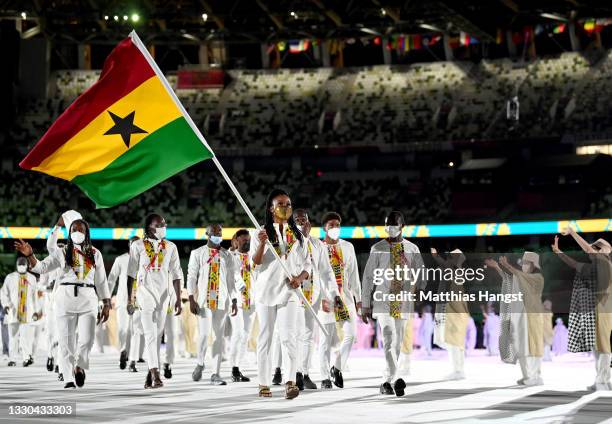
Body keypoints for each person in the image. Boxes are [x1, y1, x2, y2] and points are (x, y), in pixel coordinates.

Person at [14, 219, 111, 389]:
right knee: (66, 341)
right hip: (64, 298)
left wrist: (107, 303)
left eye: (80, 230)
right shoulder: (62, 252)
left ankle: (79, 365)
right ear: (69, 232)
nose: (77, 232)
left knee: (87, 339)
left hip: (88, 298)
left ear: (87, 232)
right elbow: (42, 268)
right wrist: (30, 255)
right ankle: (68, 378)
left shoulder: (95, 253)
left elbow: (101, 281)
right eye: (74, 229)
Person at [251, 189, 311, 399]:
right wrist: (261, 243)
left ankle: (290, 382)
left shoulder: (298, 235)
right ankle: (263, 382)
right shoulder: (261, 232)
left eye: (288, 204)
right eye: (281, 204)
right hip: (266, 291)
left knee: (288, 337)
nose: (285, 208)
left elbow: (307, 266)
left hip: (289, 291)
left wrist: (299, 279)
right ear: (271, 208)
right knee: (266, 337)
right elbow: (256, 263)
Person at [362, 210, 426, 397]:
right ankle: (397, 377)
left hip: (403, 301)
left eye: (393, 224)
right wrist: (365, 304)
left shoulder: (412, 249)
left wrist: (420, 292)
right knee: (389, 336)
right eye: (387, 224)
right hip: (383, 300)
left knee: (396, 343)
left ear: (402, 226)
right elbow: (367, 278)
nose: (389, 228)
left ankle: (387, 381)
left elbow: (421, 272)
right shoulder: (378, 248)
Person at [127, 213, 183, 389]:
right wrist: (131, 298)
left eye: (164, 224)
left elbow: (176, 274)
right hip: (145, 293)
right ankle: (156, 374)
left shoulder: (171, 247)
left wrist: (178, 299)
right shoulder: (137, 246)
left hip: (164, 295)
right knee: (150, 334)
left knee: (157, 336)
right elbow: (130, 274)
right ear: (150, 227)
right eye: (160, 224)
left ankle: (149, 374)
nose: (163, 227)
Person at [553, 230, 612, 390]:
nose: (590, 253)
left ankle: (603, 381)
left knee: (603, 346)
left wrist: (572, 232)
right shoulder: (593, 267)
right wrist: (559, 253)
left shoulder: (605, 262)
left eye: (594, 249)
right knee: (598, 347)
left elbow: (588, 250)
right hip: (595, 310)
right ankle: (603, 380)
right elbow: (574, 264)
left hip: (604, 310)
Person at [188, 223, 237, 385]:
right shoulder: (198, 253)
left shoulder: (227, 255)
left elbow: (232, 280)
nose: (218, 234)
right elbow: (191, 276)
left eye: (220, 232)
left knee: (219, 337)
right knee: (203, 334)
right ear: (207, 234)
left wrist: (234, 299)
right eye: (214, 232)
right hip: (203, 300)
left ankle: (215, 373)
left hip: (222, 301)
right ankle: (200, 363)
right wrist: (191, 297)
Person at [318, 211, 361, 389]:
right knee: (325, 339)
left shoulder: (348, 247)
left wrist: (359, 299)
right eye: (331, 226)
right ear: (324, 229)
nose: (335, 228)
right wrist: (320, 298)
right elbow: (315, 275)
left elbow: (354, 275)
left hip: (345, 298)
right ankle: (324, 377)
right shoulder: (318, 247)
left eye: (337, 225)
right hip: (326, 299)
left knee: (351, 335)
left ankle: (337, 367)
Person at [487, 252, 544, 386]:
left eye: (526, 263)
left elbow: (520, 276)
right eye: (522, 263)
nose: (523, 266)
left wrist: (507, 265)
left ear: (533, 264)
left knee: (533, 347)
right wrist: (497, 267)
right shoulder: (521, 278)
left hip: (533, 317)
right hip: (521, 317)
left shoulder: (537, 277)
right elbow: (509, 280)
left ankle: (535, 377)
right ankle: (527, 376)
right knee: (521, 347)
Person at [431, 248, 469, 380]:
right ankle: (458, 369)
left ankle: (458, 370)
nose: (447, 259)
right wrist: (436, 257)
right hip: (447, 309)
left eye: (450, 257)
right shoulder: (451, 270)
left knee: (453, 341)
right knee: (448, 340)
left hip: (452, 311)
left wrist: (437, 257)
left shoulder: (456, 272)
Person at [1, 257, 41, 367]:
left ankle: (26, 357)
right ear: (16, 265)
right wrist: (5, 305)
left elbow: (35, 296)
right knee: (13, 336)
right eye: (20, 264)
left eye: (23, 264)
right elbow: (4, 293)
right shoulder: (10, 278)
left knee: (26, 337)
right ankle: (12, 358)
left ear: (27, 265)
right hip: (13, 311)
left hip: (27, 312)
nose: (21, 265)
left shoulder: (32, 278)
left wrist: (36, 311)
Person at [108, 236, 139, 370]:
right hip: (122, 300)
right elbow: (112, 279)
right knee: (123, 329)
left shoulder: (145, 260)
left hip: (139, 301)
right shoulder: (120, 260)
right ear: (129, 244)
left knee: (136, 331)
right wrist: (106, 297)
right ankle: (122, 351)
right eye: (133, 244)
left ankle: (132, 360)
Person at [229, 229, 255, 383]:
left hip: (252, 300)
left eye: (248, 240)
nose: (247, 242)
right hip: (236, 301)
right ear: (236, 241)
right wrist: (240, 287)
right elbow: (232, 276)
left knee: (245, 335)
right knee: (238, 333)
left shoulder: (253, 256)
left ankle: (238, 367)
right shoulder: (231, 256)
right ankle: (233, 368)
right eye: (244, 240)